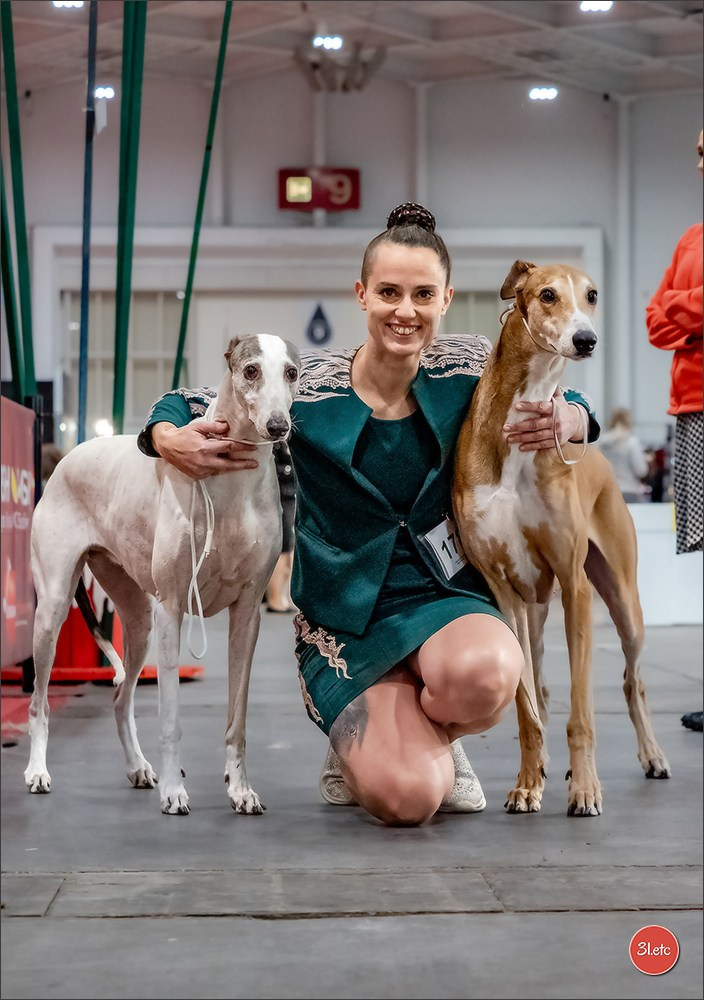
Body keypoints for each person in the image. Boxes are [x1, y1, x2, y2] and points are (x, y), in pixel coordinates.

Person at [138, 203, 600, 826]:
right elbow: (185, 399)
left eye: (421, 294)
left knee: (492, 673)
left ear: (445, 299)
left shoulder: (468, 364)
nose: (404, 310)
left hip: (441, 595)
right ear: (361, 295)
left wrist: (576, 419)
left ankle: (425, 728)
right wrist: (166, 436)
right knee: (408, 800)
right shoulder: (309, 382)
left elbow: (551, 383)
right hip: (344, 618)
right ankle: (366, 745)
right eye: (387, 292)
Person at [646, 129, 703, 734]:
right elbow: (653, 320)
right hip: (690, 409)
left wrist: (678, 311)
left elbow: (669, 313)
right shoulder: (691, 237)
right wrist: (691, 313)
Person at [265, 440, 297, 613]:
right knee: (282, 550)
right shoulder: (274, 447)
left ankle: (282, 596)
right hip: (278, 500)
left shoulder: (289, 444)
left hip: (290, 497)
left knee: (288, 551)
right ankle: (275, 598)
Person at [595, 407, 650, 503]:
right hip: (629, 491)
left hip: (607, 492)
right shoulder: (632, 442)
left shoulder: (602, 442)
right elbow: (641, 470)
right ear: (628, 421)